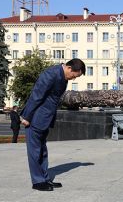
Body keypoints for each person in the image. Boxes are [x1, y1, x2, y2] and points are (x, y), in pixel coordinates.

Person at [21, 58, 86, 191]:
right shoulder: (51, 74)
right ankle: (37, 182)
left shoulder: (63, 77)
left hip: (45, 118)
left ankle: (45, 178)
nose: (73, 79)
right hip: (36, 118)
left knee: (43, 151)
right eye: (74, 75)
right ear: (69, 68)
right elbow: (36, 95)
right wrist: (26, 116)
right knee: (35, 151)